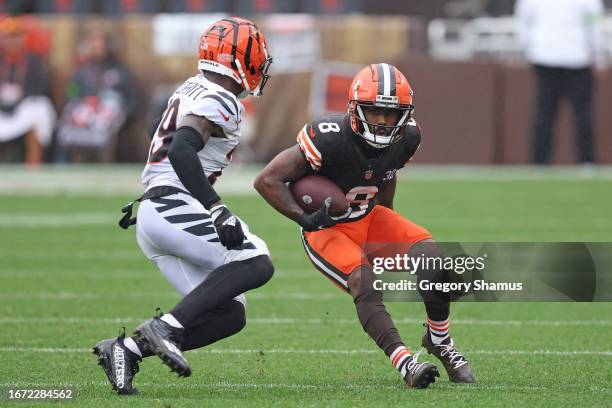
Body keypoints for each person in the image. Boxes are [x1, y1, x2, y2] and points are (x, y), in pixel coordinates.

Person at [254, 64, 474, 388]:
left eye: (391, 113)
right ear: (356, 109)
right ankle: (406, 364)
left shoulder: (408, 137)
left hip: (368, 217)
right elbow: (267, 179)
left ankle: (439, 340)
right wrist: (304, 219)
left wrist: (389, 232)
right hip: (327, 228)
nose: (383, 121)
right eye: (374, 112)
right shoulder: (328, 138)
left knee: (433, 259)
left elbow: (386, 175)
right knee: (363, 280)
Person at [92, 17, 274, 395]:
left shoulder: (192, 87)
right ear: (240, 60)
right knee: (257, 261)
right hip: (171, 206)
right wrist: (216, 207)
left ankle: (126, 350)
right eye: (257, 58)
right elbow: (180, 148)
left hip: (157, 215)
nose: (260, 68)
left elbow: (161, 133)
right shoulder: (222, 97)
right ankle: (164, 328)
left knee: (229, 313)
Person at [515, 0, 607, 164]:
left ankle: (541, 162)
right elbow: (595, 26)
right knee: (574, 114)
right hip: (569, 58)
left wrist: (527, 49)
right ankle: (585, 162)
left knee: (551, 114)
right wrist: (598, 57)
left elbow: (522, 22)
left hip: (563, 57)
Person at [56, 28, 136, 162]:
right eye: (93, 46)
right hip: (85, 111)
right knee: (73, 116)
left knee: (110, 110)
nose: (96, 49)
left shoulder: (119, 71)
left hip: (107, 114)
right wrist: (82, 99)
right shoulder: (82, 71)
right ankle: (66, 160)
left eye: (100, 46)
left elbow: (131, 98)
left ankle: (105, 159)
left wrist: (121, 109)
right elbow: (70, 92)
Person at [0, 15, 55, 166]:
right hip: (2, 107)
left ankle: (33, 163)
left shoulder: (33, 60)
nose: (12, 41)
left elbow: (41, 87)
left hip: (23, 106)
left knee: (38, 110)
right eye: (9, 37)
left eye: (16, 36)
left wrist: (20, 95)